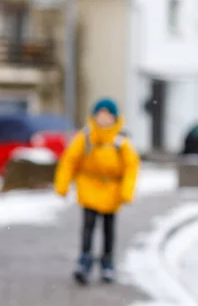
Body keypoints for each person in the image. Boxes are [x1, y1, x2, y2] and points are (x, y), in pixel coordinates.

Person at [55, 98, 140, 285]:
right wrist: (62, 184)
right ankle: (84, 260)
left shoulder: (121, 140)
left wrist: (127, 191)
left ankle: (107, 262)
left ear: (114, 118)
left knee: (109, 229)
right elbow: (69, 160)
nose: (104, 119)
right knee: (88, 227)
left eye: (108, 115)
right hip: (89, 188)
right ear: (94, 117)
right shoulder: (86, 137)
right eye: (100, 115)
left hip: (112, 191)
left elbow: (131, 167)